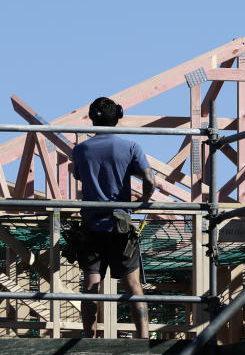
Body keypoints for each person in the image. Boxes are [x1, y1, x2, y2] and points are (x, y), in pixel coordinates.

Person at [72, 96, 157, 339]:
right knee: (133, 286)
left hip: (91, 225)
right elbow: (150, 180)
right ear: (118, 116)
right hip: (120, 225)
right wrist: (142, 201)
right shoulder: (130, 147)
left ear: (90, 117)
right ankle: (143, 339)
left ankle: (89, 338)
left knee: (90, 286)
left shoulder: (80, 150)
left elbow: (78, 174)